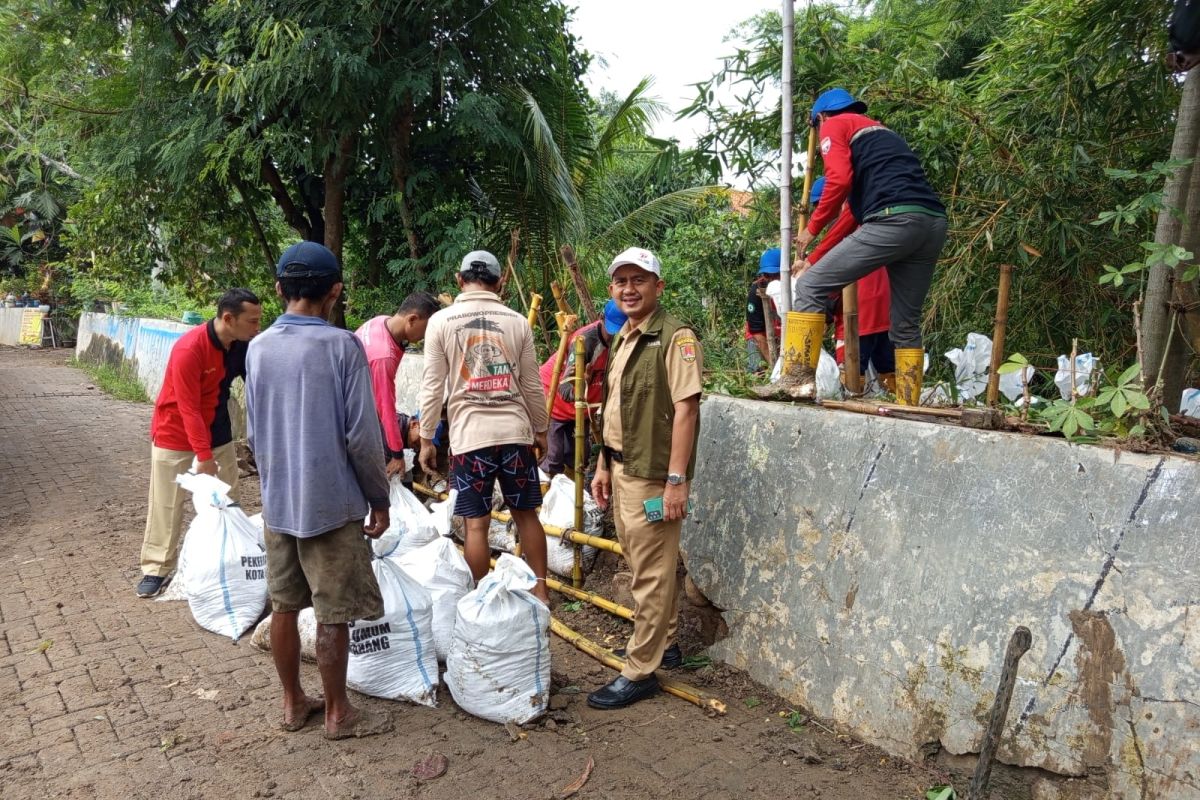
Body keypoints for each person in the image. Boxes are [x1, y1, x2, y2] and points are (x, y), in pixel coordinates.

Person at [245, 240, 393, 740]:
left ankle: (292, 704)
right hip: (331, 503)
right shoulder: (341, 346)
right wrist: (379, 497)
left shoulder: (259, 347)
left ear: (279, 289)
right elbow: (361, 437)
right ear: (334, 292)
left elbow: (253, 433)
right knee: (333, 611)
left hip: (279, 502)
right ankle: (337, 713)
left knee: (283, 604)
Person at [588, 247, 702, 710]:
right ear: (612, 289)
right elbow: (615, 407)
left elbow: (686, 409)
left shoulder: (675, 338)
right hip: (622, 466)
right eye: (621, 281)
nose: (629, 289)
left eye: (639, 280)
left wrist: (676, 481)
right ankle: (666, 644)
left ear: (659, 286)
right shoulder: (624, 337)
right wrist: (602, 463)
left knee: (650, 574)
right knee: (645, 566)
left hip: (653, 478)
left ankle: (641, 669)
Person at [791, 88, 946, 405]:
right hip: (931, 223)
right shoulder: (880, 133)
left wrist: (810, 230)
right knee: (905, 324)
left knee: (809, 287)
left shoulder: (835, 124)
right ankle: (908, 404)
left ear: (821, 118)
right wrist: (815, 256)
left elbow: (838, 180)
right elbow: (850, 216)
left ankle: (795, 385)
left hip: (893, 220)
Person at [417, 250, 551, 605]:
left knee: (476, 525)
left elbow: (433, 386)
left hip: (469, 439)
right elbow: (532, 385)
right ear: (500, 283)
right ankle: (541, 589)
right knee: (526, 516)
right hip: (514, 435)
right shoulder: (517, 321)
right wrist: (541, 428)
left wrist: (427, 438)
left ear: (459, 280)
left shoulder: (441, 322)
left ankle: (483, 598)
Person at [135, 288, 262, 598]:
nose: (257, 328)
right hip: (175, 434)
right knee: (167, 503)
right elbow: (188, 407)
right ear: (228, 318)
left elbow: (258, 387)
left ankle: (228, 561)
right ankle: (157, 567)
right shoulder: (189, 348)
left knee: (227, 500)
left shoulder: (241, 346)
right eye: (252, 321)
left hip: (217, 431)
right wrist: (202, 456)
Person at [805, 176, 896, 394]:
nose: (822, 215)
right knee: (888, 370)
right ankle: (900, 407)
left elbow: (830, 280)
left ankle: (853, 408)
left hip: (857, 313)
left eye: (821, 208)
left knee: (850, 374)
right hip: (885, 310)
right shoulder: (869, 219)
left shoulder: (845, 228)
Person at [354, 292, 441, 477]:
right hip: (356, 419)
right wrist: (397, 454)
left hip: (359, 409)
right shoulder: (383, 356)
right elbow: (385, 407)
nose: (426, 337)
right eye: (426, 330)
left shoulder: (381, 322)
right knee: (397, 471)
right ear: (412, 319)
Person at [538, 299, 628, 477]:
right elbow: (564, 389)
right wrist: (580, 388)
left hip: (583, 409)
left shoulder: (625, 341)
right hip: (555, 402)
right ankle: (546, 498)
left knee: (579, 457)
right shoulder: (584, 342)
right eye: (612, 330)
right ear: (601, 318)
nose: (615, 336)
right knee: (553, 457)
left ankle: (574, 497)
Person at [745, 249, 782, 372]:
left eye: (776, 275)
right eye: (767, 275)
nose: (771, 279)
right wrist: (773, 365)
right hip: (760, 336)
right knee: (757, 369)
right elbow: (757, 332)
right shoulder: (755, 292)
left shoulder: (793, 286)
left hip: (782, 333)